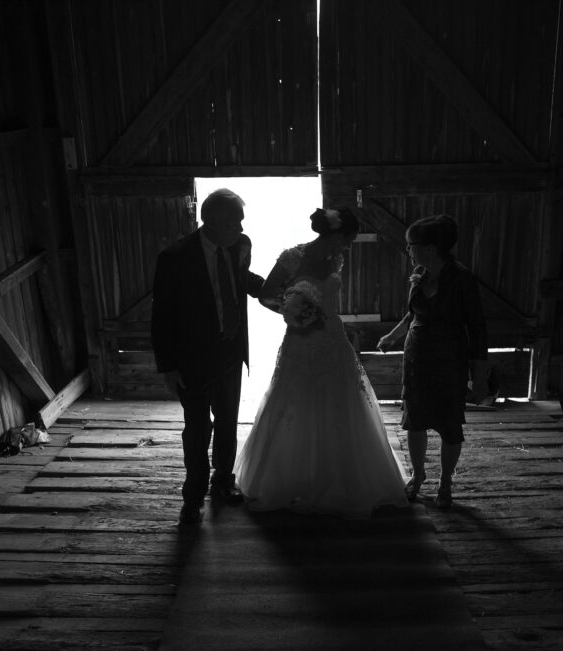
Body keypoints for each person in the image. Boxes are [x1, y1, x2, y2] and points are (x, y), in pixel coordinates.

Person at [233, 208, 408, 518]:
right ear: (337, 235)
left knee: (340, 403)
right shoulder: (292, 257)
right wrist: (295, 314)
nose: (348, 248)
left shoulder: (334, 259)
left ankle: (336, 477)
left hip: (333, 339)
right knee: (295, 401)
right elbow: (267, 294)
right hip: (300, 340)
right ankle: (293, 477)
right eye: (347, 241)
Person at [151, 189, 265, 524]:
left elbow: (242, 281)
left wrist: (283, 291)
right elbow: (162, 315)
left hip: (230, 351)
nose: (241, 227)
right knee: (198, 427)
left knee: (228, 421)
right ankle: (194, 491)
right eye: (235, 221)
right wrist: (168, 366)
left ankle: (222, 482)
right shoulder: (175, 257)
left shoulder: (239, 246)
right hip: (192, 359)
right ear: (211, 220)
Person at [377, 214, 488, 509]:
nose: (408, 250)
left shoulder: (461, 278)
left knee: (449, 422)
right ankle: (418, 474)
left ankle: (446, 481)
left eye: (411, 245)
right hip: (417, 355)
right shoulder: (420, 273)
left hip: (449, 356)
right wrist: (392, 336)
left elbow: (477, 327)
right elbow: (413, 313)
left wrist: (478, 374)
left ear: (430, 247)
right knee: (415, 420)